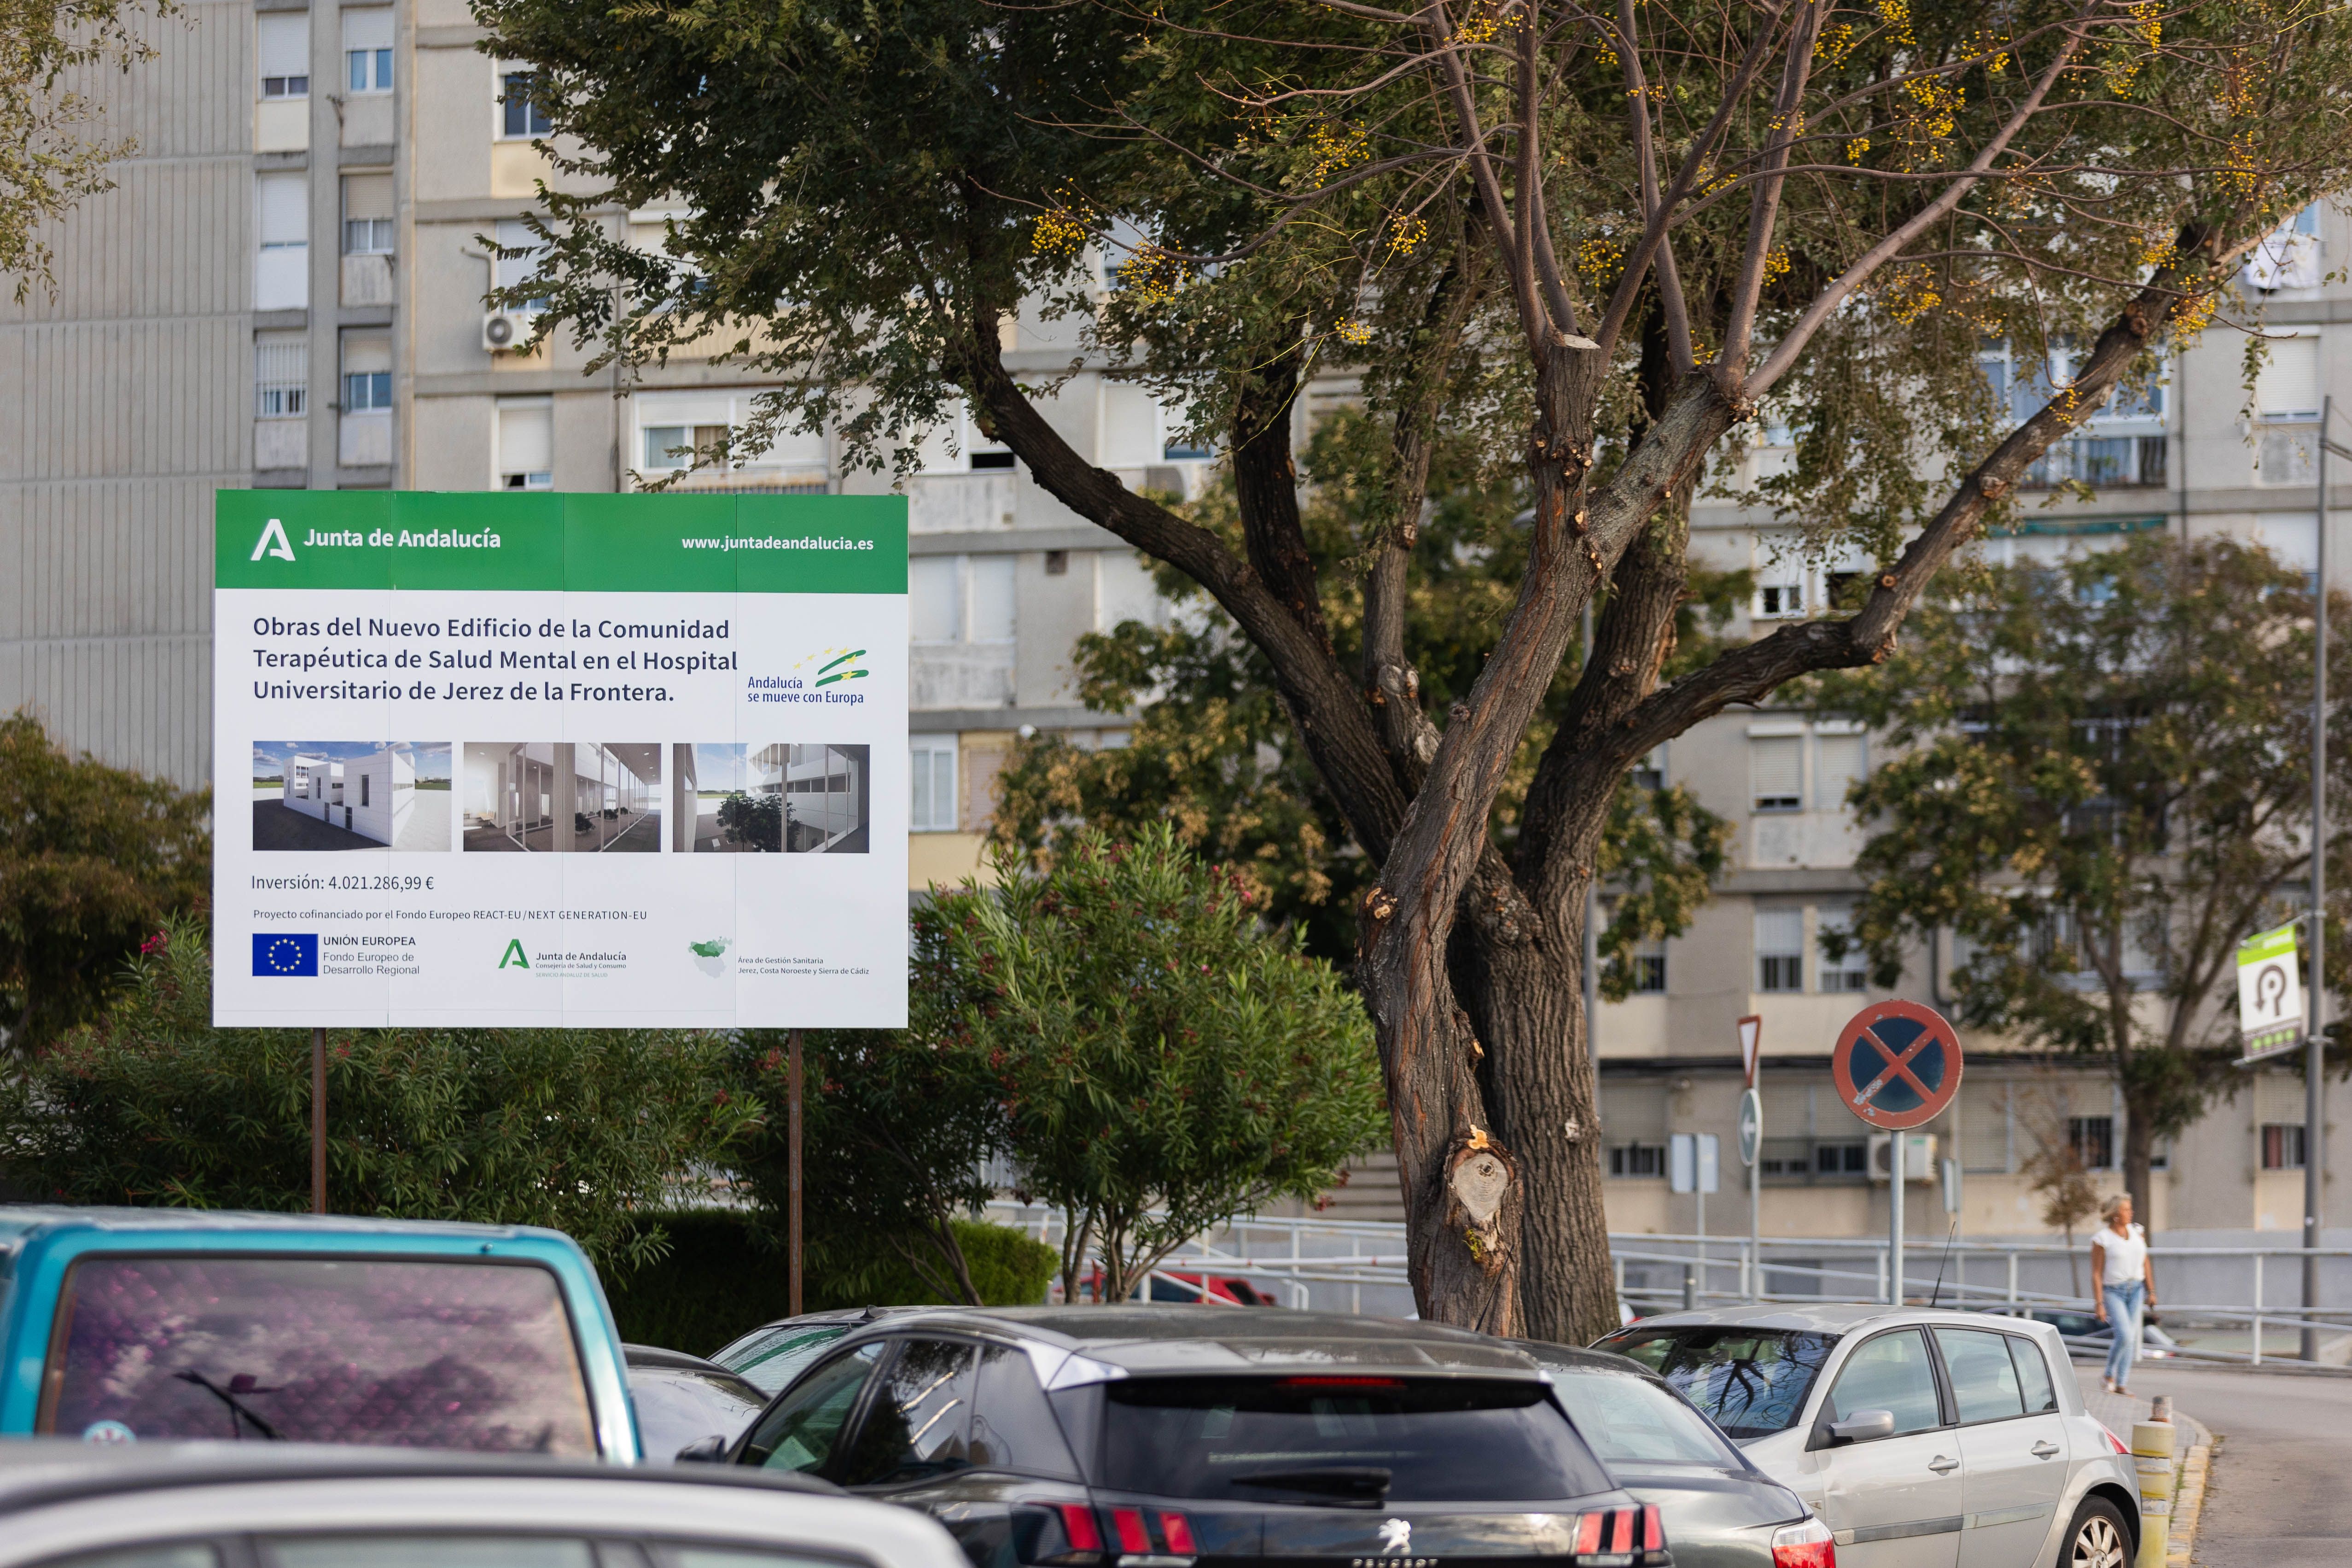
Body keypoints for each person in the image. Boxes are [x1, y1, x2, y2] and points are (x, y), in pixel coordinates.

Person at [2090, 1193, 2157, 1395]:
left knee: (2132, 1336)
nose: (2131, 1213)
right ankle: (2108, 1375)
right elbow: (2096, 1273)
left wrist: (2151, 1290)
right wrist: (2099, 1303)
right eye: (2127, 1210)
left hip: (2136, 1289)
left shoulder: (2137, 1232)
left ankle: (2122, 1384)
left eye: (2130, 1209)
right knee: (2125, 1335)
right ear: (2116, 1215)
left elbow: (2145, 1262)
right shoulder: (2102, 1239)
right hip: (2113, 1291)